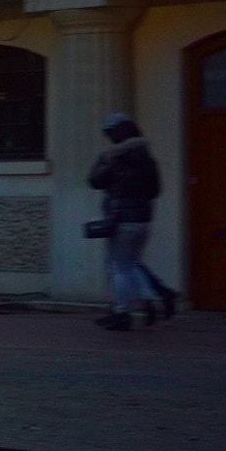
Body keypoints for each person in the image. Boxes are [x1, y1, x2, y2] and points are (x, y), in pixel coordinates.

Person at [87, 113, 165, 331]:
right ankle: (150, 301)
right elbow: (156, 190)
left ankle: (121, 312)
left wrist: (105, 163)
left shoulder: (115, 158)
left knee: (118, 266)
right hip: (143, 219)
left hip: (121, 219)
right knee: (132, 263)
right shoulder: (146, 157)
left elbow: (95, 181)